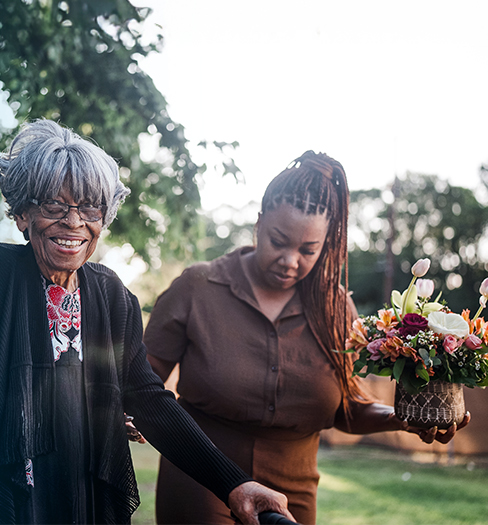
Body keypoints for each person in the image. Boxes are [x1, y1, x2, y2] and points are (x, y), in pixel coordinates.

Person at [0, 119, 292, 525]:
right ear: (22, 214)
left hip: (84, 501)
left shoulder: (112, 296)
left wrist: (234, 484)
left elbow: (148, 399)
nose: (74, 222)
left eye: (90, 208)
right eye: (54, 205)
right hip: (4, 500)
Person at [144, 151, 471, 525]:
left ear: (326, 243)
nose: (290, 260)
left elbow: (346, 411)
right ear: (259, 222)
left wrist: (406, 418)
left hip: (294, 491)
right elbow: (142, 381)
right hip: (202, 478)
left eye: (307, 250)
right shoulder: (197, 287)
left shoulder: (336, 309)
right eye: (279, 241)